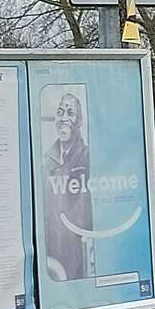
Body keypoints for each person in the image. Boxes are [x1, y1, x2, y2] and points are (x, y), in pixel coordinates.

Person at [43, 90, 92, 280]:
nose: (63, 118)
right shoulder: (46, 162)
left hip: (77, 248)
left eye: (70, 113)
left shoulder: (87, 157)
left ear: (79, 122)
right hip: (52, 250)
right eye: (60, 112)